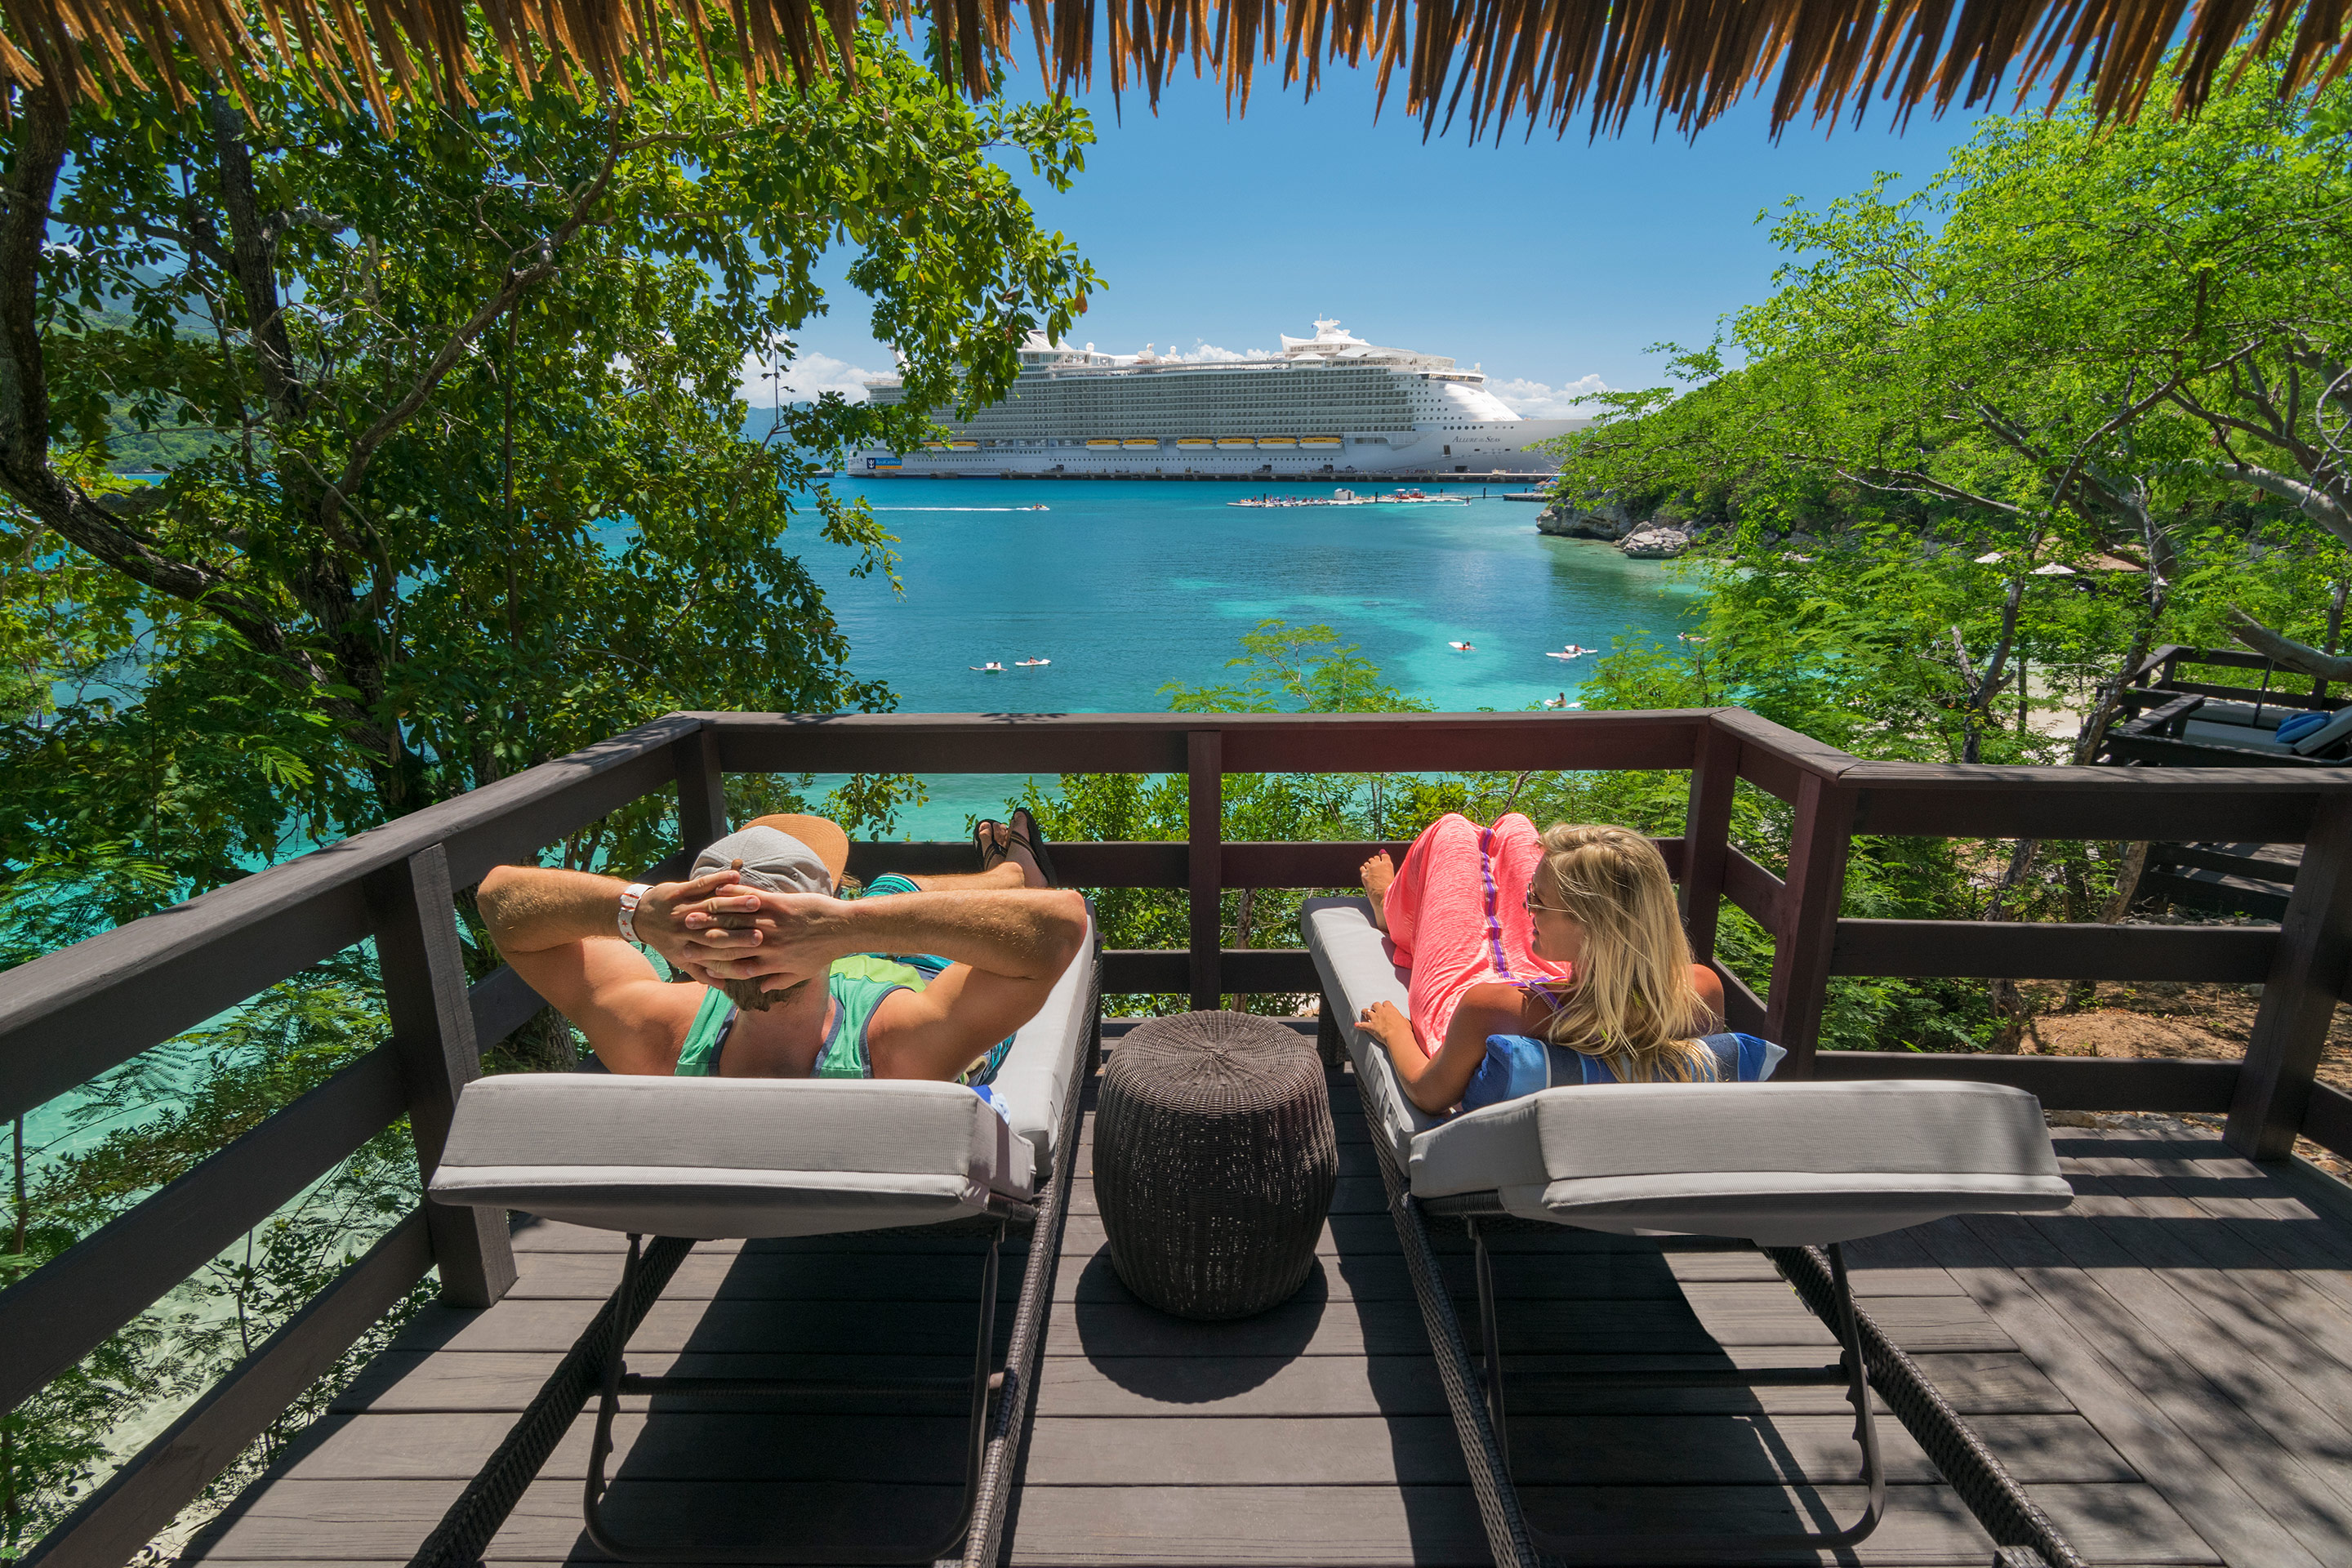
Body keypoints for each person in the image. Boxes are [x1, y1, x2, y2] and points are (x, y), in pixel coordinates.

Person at [478, 813, 1085, 1084]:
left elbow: (500, 900)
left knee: (888, 891)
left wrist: (640, 911)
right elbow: (1062, 922)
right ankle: (1011, 872)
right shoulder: (906, 1041)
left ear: (692, 950)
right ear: (822, 912)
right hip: (909, 973)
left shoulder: (651, 1033)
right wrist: (851, 925)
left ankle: (1001, 873)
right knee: (892, 891)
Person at [1352, 816, 1728, 1114]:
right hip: (1551, 982)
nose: (1527, 908)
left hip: (1462, 985)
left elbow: (1426, 1091)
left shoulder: (1489, 1009)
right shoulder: (1699, 990)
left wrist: (1394, 1030)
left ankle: (1389, 906)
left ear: (1594, 926)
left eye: (1539, 902)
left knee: (1450, 829)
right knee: (1516, 827)